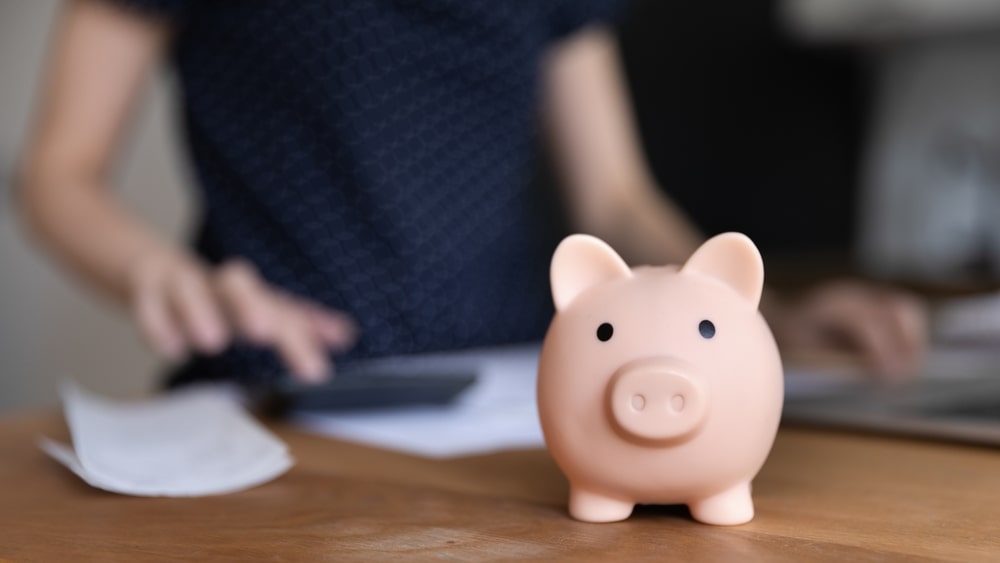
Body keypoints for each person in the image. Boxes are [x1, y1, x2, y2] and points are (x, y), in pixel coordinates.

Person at [17, 0, 927, 387]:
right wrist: (160, 272)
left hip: (508, 392)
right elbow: (56, 173)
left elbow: (614, 199)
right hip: (273, 391)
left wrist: (751, 317)